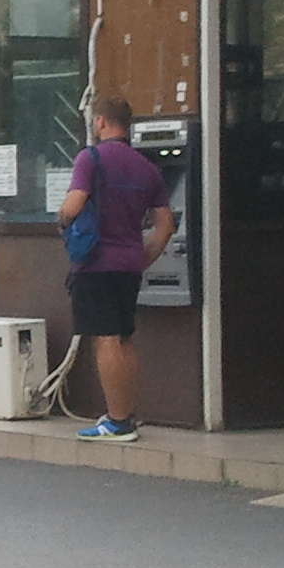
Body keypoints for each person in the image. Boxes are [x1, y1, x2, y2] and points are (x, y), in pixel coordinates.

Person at [57, 97, 175, 442]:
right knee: (123, 338)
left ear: (101, 122)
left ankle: (117, 421)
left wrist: (62, 221)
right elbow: (165, 226)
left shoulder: (90, 158)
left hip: (95, 264)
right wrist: (141, 258)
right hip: (129, 265)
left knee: (105, 338)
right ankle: (126, 414)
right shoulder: (147, 168)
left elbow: (73, 204)